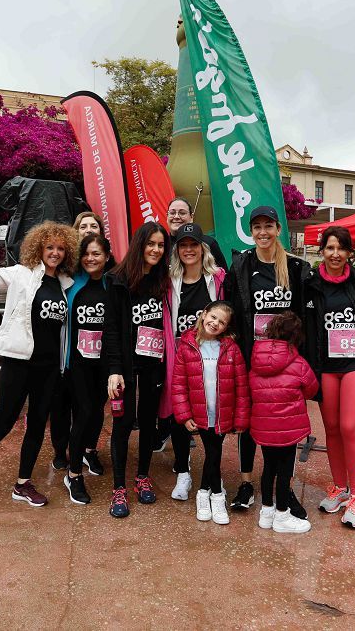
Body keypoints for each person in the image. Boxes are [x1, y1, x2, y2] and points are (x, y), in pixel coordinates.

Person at [0, 215, 77, 511]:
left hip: (48, 368)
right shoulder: (20, 274)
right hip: (19, 362)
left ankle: (23, 483)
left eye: (60, 248)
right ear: (39, 249)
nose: (55, 252)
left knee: (36, 427)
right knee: (2, 424)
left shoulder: (65, 284)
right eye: (50, 247)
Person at [223, 205, 311, 516]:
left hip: (286, 363)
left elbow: (304, 314)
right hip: (253, 360)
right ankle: (246, 483)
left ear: (278, 230)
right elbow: (231, 309)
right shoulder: (242, 265)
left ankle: (285, 488)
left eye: (268, 226)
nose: (262, 232)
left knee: (285, 425)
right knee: (248, 422)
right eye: (257, 226)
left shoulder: (297, 268)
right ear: (251, 231)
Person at [304, 226, 355, 530]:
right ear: (322, 251)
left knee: (350, 426)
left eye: (342, 248)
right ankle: (339, 487)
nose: (336, 254)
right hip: (325, 365)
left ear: (351, 253)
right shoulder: (309, 284)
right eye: (330, 248)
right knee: (332, 428)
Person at [103, 222, 170, 518]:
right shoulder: (117, 280)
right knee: (123, 422)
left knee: (147, 421)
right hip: (126, 367)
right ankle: (119, 487)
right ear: (140, 244)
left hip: (153, 363)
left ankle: (142, 475)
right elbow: (113, 329)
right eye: (151, 244)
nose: (155, 250)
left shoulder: (163, 279)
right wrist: (114, 369)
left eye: (160, 245)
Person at [161, 222, 226, 502]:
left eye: (193, 245)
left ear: (203, 248)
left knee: (212, 415)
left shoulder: (218, 278)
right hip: (179, 358)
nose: (188, 250)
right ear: (177, 250)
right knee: (180, 415)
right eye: (183, 245)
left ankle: (213, 472)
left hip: (211, 359)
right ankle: (183, 472)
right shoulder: (168, 281)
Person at [171, 301, 250, 524]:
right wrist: (184, 415)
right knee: (213, 454)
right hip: (200, 414)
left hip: (223, 414)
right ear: (204, 314)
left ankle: (204, 492)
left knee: (213, 454)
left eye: (222, 322)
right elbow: (178, 385)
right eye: (213, 317)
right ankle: (216, 495)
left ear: (226, 327)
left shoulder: (231, 348)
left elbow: (242, 386)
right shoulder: (186, 346)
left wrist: (241, 418)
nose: (215, 323)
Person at [248, 311, 318, 534]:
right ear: (296, 336)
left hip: (263, 426)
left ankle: (266, 513)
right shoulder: (298, 362)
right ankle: (282, 515)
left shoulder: (255, 360)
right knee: (284, 471)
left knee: (268, 467)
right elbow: (311, 389)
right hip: (289, 428)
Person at [51, 210, 107, 470]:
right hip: (67, 358)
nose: (88, 230)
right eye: (83, 226)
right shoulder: (64, 274)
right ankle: (61, 450)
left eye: (93, 225)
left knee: (95, 408)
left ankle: (89, 449)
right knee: (64, 407)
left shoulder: (109, 276)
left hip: (99, 359)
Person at [62, 233, 115, 505]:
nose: (90, 258)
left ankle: (89, 451)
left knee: (96, 411)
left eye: (96, 254)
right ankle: (73, 474)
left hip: (104, 366)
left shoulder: (113, 285)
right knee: (82, 413)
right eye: (86, 254)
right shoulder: (72, 285)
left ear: (107, 256)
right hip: (78, 365)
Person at [166, 197, 228, 269]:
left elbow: (224, 276)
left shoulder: (208, 243)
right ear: (167, 216)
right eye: (172, 213)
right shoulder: (161, 245)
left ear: (191, 217)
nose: (176, 217)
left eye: (182, 213)